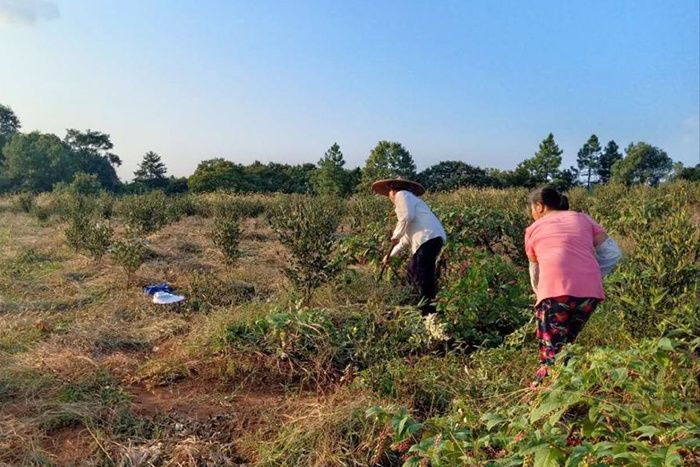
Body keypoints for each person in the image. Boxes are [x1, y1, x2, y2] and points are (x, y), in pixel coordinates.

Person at [525, 187, 621, 385]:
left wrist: (539, 292)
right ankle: (571, 388)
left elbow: (535, 270)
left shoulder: (534, 229)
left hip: (554, 293)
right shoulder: (584, 219)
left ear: (539, 206)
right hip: (589, 295)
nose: (532, 214)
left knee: (551, 348)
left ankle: (545, 392)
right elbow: (613, 253)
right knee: (565, 344)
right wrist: (592, 276)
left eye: (532, 209)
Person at [372, 178, 447, 315]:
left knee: (423, 274)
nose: (388, 197)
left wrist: (396, 234)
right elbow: (405, 239)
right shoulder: (410, 202)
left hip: (428, 237)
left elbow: (406, 217)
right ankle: (416, 302)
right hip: (430, 238)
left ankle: (427, 312)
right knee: (412, 269)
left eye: (388, 193)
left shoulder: (402, 195)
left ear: (392, 191)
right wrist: (389, 256)